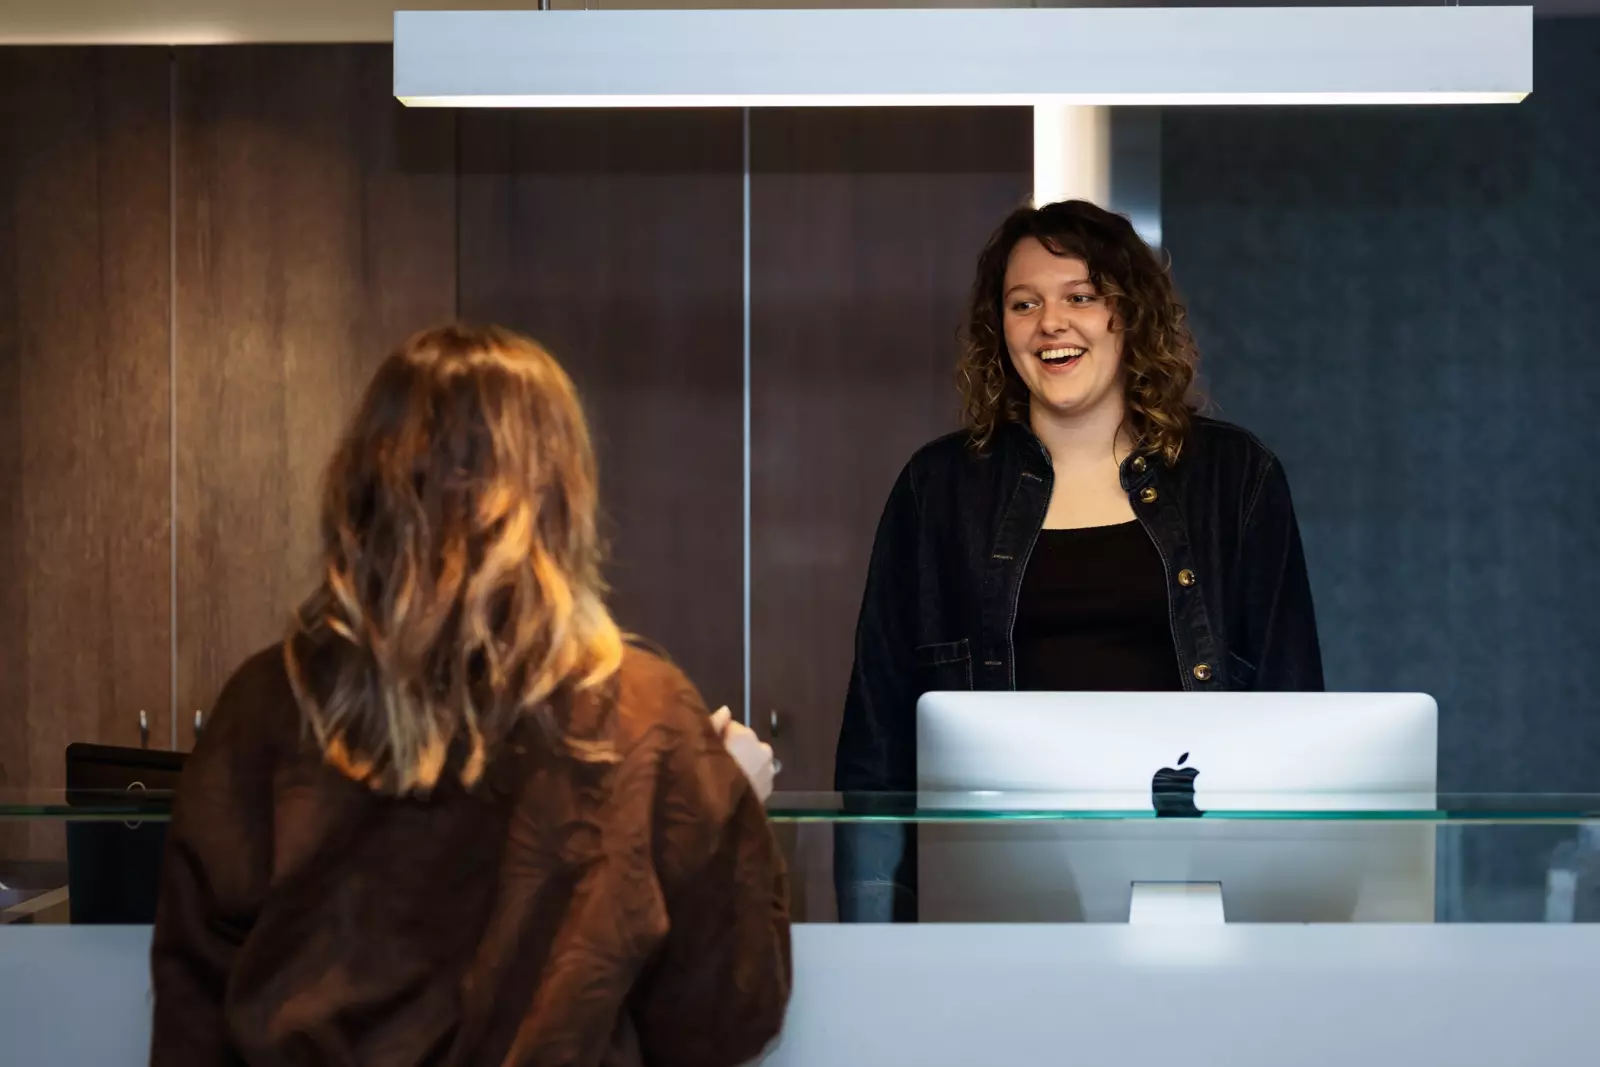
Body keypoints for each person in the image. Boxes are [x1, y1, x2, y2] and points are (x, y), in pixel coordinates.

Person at [150, 325, 791, 1065]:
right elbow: (725, 1017)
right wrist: (724, 800)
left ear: (364, 485)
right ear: (563, 496)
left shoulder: (271, 701)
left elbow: (192, 1012)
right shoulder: (644, 716)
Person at [833, 199, 1324, 922]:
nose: (1050, 324)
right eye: (1023, 303)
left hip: (1194, 882)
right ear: (1000, 329)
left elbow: (1294, 710)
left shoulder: (1236, 478)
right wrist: (872, 934)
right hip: (994, 889)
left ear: (1131, 316)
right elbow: (877, 736)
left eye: (1081, 297)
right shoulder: (937, 489)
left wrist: (1295, 922)